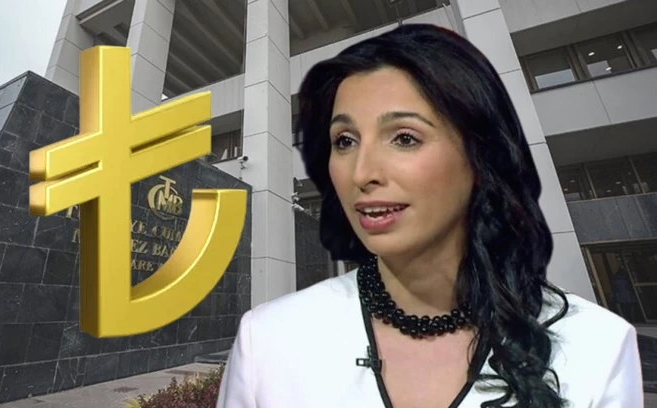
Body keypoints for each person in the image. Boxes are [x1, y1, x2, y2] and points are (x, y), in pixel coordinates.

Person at [216, 23, 642, 408]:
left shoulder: (597, 346)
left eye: (404, 138)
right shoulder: (269, 340)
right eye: (344, 140)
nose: (361, 174)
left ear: (480, 157)